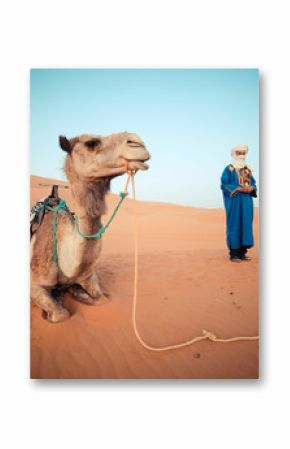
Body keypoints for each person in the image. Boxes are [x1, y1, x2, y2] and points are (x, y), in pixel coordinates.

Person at [220, 144, 257, 262]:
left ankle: (242, 252)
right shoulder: (229, 169)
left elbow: (254, 183)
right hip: (235, 201)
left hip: (246, 201)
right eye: (239, 153)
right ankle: (234, 254)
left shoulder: (248, 170)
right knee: (234, 224)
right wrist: (237, 188)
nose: (241, 155)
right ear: (234, 154)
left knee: (245, 224)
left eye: (243, 153)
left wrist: (252, 188)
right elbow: (224, 184)